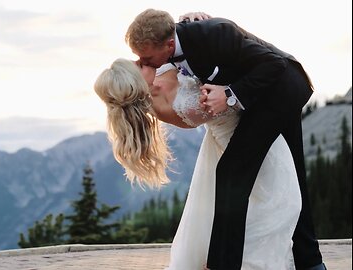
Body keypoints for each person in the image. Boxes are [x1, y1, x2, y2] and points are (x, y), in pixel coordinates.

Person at [124, 9, 325, 270]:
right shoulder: (167, 44)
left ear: (169, 44)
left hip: (280, 91)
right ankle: (311, 263)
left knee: (232, 172)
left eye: (147, 58)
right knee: (290, 177)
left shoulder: (216, 33)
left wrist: (230, 94)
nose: (145, 62)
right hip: (260, 98)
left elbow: (275, 63)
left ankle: (222, 264)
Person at [94, 58, 301, 269]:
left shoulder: (159, 65)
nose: (140, 59)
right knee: (284, 202)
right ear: (136, 83)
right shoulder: (165, 107)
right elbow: (222, 107)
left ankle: (227, 259)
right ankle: (233, 262)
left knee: (271, 203)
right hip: (239, 141)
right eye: (137, 66)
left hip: (258, 129)